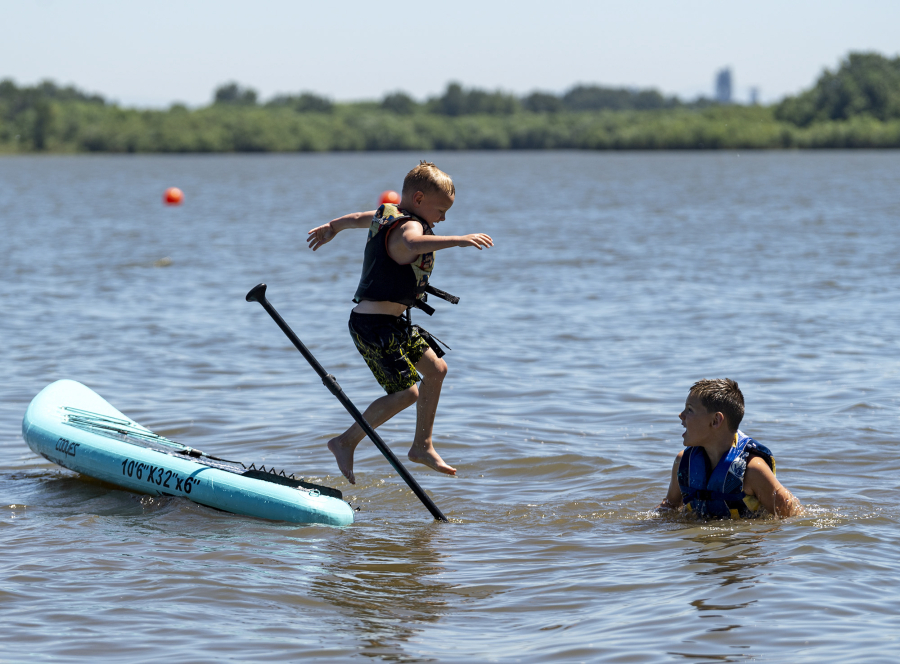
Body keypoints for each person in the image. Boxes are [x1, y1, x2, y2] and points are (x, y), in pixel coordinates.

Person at [306, 161, 493, 484]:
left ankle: (422, 446)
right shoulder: (411, 228)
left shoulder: (387, 215)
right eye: (441, 210)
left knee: (436, 370)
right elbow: (411, 245)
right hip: (373, 326)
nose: (443, 219)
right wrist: (459, 240)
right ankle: (345, 441)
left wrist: (332, 228)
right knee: (406, 393)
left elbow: (357, 219)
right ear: (418, 200)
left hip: (393, 324)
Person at [659, 378, 800, 518]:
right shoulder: (683, 462)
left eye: (689, 410)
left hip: (742, 540)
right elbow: (669, 507)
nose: (681, 415)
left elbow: (790, 517)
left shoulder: (752, 470)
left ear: (716, 420)